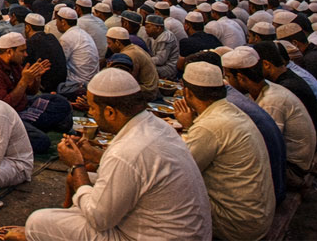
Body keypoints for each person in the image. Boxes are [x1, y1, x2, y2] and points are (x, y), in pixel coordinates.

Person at [12, 68, 212, 241]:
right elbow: (133, 171)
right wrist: (93, 154)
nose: (91, 113)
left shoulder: (127, 150)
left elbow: (99, 217)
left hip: (151, 236)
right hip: (182, 232)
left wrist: (77, 165)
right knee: (86, 186)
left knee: (38, 222)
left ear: (109, 112)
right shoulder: (156, 125)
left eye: (91, 108)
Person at [172, 62, 275, 241]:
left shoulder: (210, 126)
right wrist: (190, 126)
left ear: (187, 92)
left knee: (165, 194)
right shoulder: (229, 110)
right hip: (258, 215)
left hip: (237, 224)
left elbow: (182, 173)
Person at [222, 46, 316, 180]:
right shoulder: (267, 89)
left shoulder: (271, 101)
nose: (227, 81)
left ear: (241, 78)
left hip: (292, 169)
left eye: (228, 76)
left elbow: (268, 146)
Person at [0, 32, 72, 142]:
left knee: (61, 102)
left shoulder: (14, 64)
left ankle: (32, 126)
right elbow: (3, 107)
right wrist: (24, 81)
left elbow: (30, 92)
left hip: (23, 106)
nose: (26, 54)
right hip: (6, 117)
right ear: (9, 52)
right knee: (41, 141)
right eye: (22, 51)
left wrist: (36, 78)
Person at [55, 7, 98, 97]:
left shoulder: (66, 38)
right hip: (92, 81)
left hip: (78, 84)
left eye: (57, 21)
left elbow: (60, 64)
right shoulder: (84, 33)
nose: (55, 24)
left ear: (63, 22)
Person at [106, 27, 158, 99]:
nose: (108, 46)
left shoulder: (128, 54)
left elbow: (126, 81)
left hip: (147, 92)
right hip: (150, 89)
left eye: (109, 43)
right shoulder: (134, 48)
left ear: (117, 43)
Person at [145, 14, 179, 79]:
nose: (146, 29)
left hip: (168, 68)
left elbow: (160, 60)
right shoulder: (152, 35)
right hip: (159, 65)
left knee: (145, 69)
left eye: (148, 27)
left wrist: (145, 61)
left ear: (159, 28)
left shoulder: (166, 37)